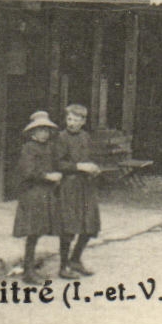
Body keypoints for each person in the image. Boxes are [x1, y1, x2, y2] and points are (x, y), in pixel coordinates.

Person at [12, 111, 63, 284]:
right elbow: (28, 171)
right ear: (33, 132)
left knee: (39, 230)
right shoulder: (29, 148)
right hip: (32, 193)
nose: (44, 133)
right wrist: (48, 176)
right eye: (40, 130)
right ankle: (28, 271)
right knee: (32, 232)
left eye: (46, 130)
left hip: (45, 193)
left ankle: (30, 267)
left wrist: (57, 174)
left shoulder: (49, 147)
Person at [53, 104, 102, 278]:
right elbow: (58, 163)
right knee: (69, 226)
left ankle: (75, 259)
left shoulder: (85, 137)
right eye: (69, 119)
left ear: (83, 121)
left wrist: (94, 167)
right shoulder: (61, 138)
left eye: (75, 120)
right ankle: (63, 267)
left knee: (89, 225)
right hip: (69, 186)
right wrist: (79, 166)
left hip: (86, 186)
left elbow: (88, 158)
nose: (71, 123)